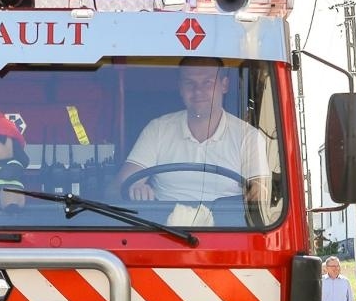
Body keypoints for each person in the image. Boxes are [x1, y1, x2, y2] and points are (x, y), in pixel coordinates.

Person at [114, 56, 270, 203]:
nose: (198, 91)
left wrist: (258, 189)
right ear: (180, 88)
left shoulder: (249, 137)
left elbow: (261, 191)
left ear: (224, 85)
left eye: (207, 82)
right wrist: (134, 189)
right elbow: (120, 186)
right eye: (190, 83)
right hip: (163, 227)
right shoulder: (158, 129)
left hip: (227, 227)